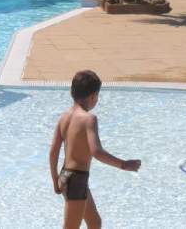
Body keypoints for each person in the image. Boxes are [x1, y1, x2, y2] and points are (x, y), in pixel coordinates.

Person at [49, 70, 141, 229]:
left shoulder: (64, 117)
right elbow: (96, 151)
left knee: (94, 222)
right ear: (93, 96)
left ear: (72, 92)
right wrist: (124, 164)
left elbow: (53, 152)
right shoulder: (89, 119)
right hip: (76, 179)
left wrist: (55, 180)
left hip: (65, 176)